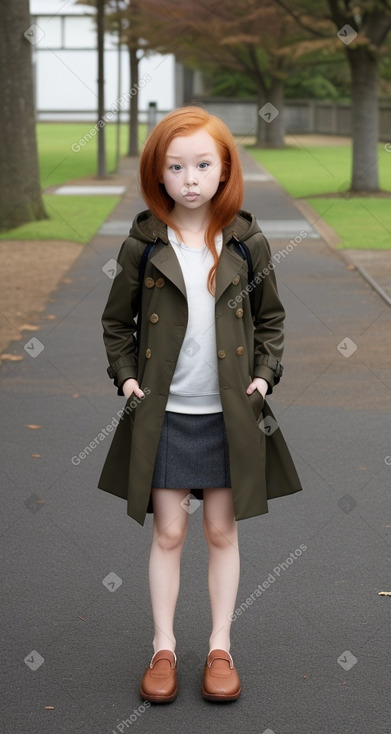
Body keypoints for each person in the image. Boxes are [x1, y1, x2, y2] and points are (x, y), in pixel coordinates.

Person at [98, 106, 302, 704]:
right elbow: (116, 324)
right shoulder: (143, 243)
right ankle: (163, 647)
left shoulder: (247, 240)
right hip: (163, 414)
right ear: (159, 174)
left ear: (224, 169)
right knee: (167, 532)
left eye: (203, 164)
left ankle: (220, 646)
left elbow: (271, 321)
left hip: (228, 412)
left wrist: (264, 377)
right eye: (176, 166)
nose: (190, 177)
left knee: (220, 530)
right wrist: (127, 378)